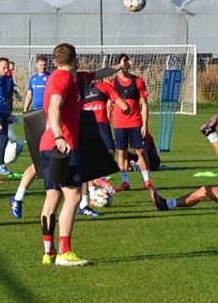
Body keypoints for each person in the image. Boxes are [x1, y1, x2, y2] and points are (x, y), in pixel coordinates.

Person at [38, 43, 123, 266]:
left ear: (54, 61)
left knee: (53, 196)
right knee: (74, 196)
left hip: (48, 145)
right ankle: (65, 253)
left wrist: (117, 67)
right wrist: (59, 137)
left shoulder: (75, 78)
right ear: (76, 60)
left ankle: (49, 252)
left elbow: (98, 74)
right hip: (62, 145)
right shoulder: (63, 79)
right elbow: (55, 108)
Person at [77, 80, 129, 216]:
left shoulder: (81, 88)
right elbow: (120, 102)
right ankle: (97, 181)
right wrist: (126, 107)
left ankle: (89, 198)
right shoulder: (103, 86)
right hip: (99, 124)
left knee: (87, 162)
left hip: (84, 125)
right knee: (109, 153)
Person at [10, 55, 51, 219]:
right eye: (40, 65)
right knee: (40, 162)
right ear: (36, 65)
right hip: (38, 116)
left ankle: (81, 202)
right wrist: (25, 110)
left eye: (44, 65)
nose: (42, 67)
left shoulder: (51, 77)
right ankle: (17, 198)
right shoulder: (33, 79)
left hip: (48, 116)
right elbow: (29, 94)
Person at [108, 54, 153, 192]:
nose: (124, 66)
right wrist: (106, 123)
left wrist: (144, 125)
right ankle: (125, 182)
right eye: (121, 63)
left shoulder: (138, 81)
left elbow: (144, 104)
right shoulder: (112, 83)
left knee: (141, 151)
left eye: (126, 62)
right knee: (122, 153)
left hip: (135, 123)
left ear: (129, 64)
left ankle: (147, 181)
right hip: (119, 125)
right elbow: (109, 105)